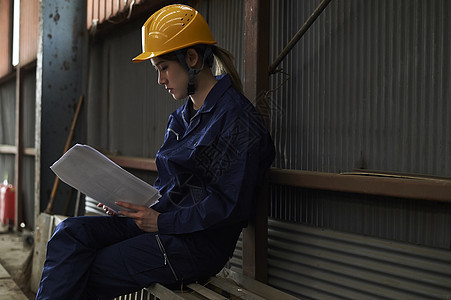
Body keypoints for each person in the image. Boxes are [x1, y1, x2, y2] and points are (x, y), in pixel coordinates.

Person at [36, 4, 275, 299]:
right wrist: (133, 204)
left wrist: (161, 221)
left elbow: (228, 206)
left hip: (194, 246)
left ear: (191, 58)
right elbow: (170, 188)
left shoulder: (238, 121)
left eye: (163, 68)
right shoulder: (180, 119)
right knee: (68, 235)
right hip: (161, 225)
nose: (160, 79)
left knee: (83, 269)